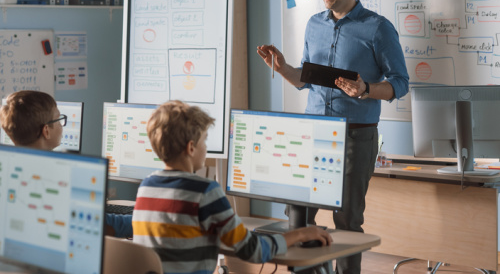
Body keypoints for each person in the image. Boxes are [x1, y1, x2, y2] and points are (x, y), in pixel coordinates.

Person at [257, 0, 409, 274]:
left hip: (356, 134)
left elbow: (400, 84)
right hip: (312, 133)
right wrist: (281, 66)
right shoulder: (314, 25)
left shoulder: (378, 28)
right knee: (298, 214)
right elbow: (305, 81)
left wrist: (365, 89)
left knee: (348, 219)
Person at [132, 100, 332, 274]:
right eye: (204, 141)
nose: (206, 148)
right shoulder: (205, 192)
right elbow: (253, 250)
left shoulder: (146, 187)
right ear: (191, 148)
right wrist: (301, 234)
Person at [0, 90, 132, 239]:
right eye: (58, 120)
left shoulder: (9, 171)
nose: (62, 125)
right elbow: (105, 225)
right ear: (46, 131)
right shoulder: (57, 176)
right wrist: (147, 219)